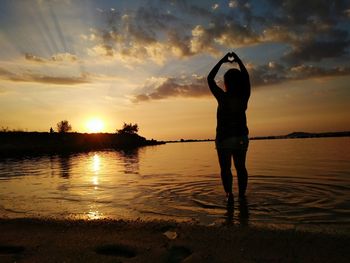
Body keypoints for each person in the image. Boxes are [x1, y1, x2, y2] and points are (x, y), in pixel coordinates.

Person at [207, 52, 250, 203]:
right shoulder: (244, 96)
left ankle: (229, 195)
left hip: (224, 139)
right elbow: (246, 78)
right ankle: (242, 196)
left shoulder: (223, 97)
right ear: (240, 83)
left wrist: (222, 61)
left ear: (225, 83)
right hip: (240, 138)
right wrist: (238, 61)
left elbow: (210, 79)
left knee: (226, 169)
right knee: (241, 167)